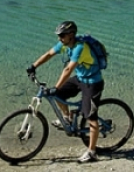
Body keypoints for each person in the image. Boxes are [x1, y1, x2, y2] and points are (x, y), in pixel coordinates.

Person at [26, 20, 104, 163]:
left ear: (71, 35)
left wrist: (56, 86)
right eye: (58, 35)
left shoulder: (80, 47)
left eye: (62, 35)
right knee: (58, 94)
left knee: (90, 117)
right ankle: (67, 118)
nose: (59, 38)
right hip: (80, 78)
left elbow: (68, 69)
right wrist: (33, 66)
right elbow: (49, 54)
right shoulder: (64, 44)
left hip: (93, 82)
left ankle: (92, 152)